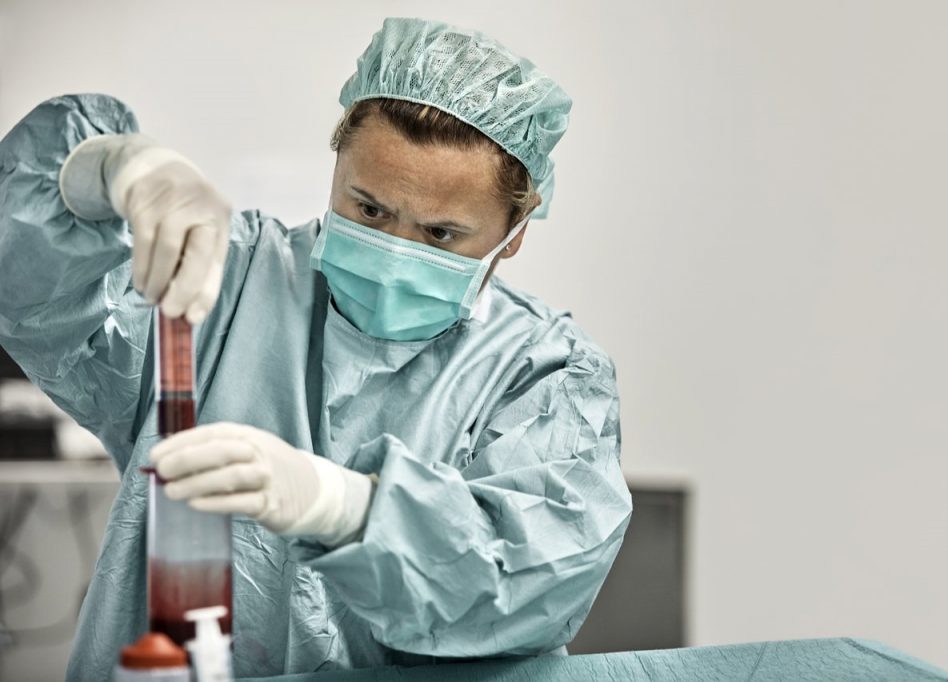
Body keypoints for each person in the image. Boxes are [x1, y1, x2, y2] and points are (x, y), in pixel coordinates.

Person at [0, 17, 632, 679]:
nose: (394, 253)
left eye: (441, 234)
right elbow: (34, 303)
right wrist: (92, 176)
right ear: (336, 170)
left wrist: (348, 508)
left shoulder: (545, 375)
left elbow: (534, 583)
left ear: (516, 231)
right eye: (369, 210)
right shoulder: (223, 278)